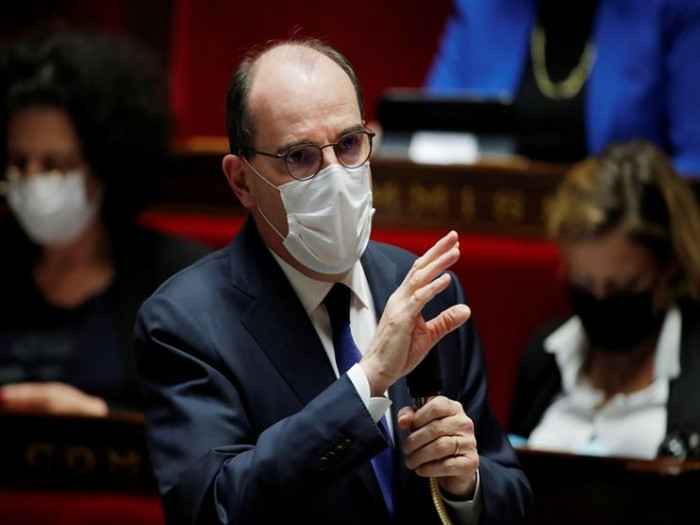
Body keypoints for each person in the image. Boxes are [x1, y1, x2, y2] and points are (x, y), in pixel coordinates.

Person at [134, 38, 532, 524]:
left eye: (348, 145)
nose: (336, 177)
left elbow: (511, 495)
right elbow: (212, 509)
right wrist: (367, 383)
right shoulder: (186, 322)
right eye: (299, 157)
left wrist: (464, 485)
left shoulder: (424, 291)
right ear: (241, 180)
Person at [0, 31, 209, 417]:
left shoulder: (180, 280)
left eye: (54, 164)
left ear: (104, 166)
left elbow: (207, 425)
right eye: (18, 163)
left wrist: (101, 419)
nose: (32, 180)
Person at [508, 140, 700, 459]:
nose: (599, 299)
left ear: (670, 267)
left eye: (622, 287)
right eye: (584, 284)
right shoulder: (546, 354)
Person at [426, 0, 700, 175]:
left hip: (621, 234)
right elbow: (431, 139)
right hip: (492, 222)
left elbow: (693, 160)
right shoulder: (481, 8)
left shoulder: (670, 9)